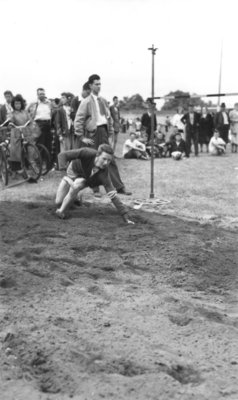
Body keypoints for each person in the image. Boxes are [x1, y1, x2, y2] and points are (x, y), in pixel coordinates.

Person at [74, 74, 131, 196]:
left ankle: (119, 187)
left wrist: (109, 132)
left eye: (100, 84)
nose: (99, 86)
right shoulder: (86, 102)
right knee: (93, 160)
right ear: (90, 85)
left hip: (104, 132)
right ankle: (95, 189)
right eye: (96, 84)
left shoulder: (104, 101)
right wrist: (81, 136)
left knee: (110, 158)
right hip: (92, 134)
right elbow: (78, 120)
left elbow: (108, 118)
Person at [55, 144, 134, 224]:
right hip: (74, 170)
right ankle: (76, 198)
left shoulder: (104, 175)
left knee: (76, 186)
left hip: (86, 178)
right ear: (97, 155)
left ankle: (62, 210)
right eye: (104, 159)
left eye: (109, 160)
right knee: (58, 202)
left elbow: (113, 195)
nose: (106, 163)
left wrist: (125, 215)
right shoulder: (87, 152)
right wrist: (64, 175)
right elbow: (62, 155)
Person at [8, 94, 32, 173]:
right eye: (15, 103)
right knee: (16, 150)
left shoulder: (25, 112)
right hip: (16, 132)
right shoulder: (12, 113)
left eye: (19, 103)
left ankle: (28, 164)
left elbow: (29, 119)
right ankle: (16, 168)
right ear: (13, 105)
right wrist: (11, 123)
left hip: (25, 131)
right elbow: (10, 120)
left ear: (21, 104)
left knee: (28, 147)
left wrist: (30, 122)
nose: (17, 105)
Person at [28, 88, 52, 155]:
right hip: (39, 124)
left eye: (43, 94)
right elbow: (26, 111)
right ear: (37, 95)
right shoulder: (34, 103)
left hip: (48, 124)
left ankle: (48, 162)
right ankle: (39, 162)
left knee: (48, 144)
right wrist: (31, 121)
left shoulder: (48, 103)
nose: (42, 95)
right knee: (40, 143)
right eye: (40, 94)